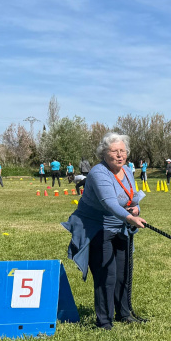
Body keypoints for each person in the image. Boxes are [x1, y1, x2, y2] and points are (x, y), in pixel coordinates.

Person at [61, 132, 148, 330]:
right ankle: (104, 321)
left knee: (123, 272)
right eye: (114, 151)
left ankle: (124, 313)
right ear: (104, 153)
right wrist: (130, 218)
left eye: (122, 151)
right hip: (97, 228)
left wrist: (136, 209)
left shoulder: (127, 170)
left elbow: (132, 196)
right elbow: (108, 202)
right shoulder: (98, 172)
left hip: (121, 227)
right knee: (106, 275)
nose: (120, 155)